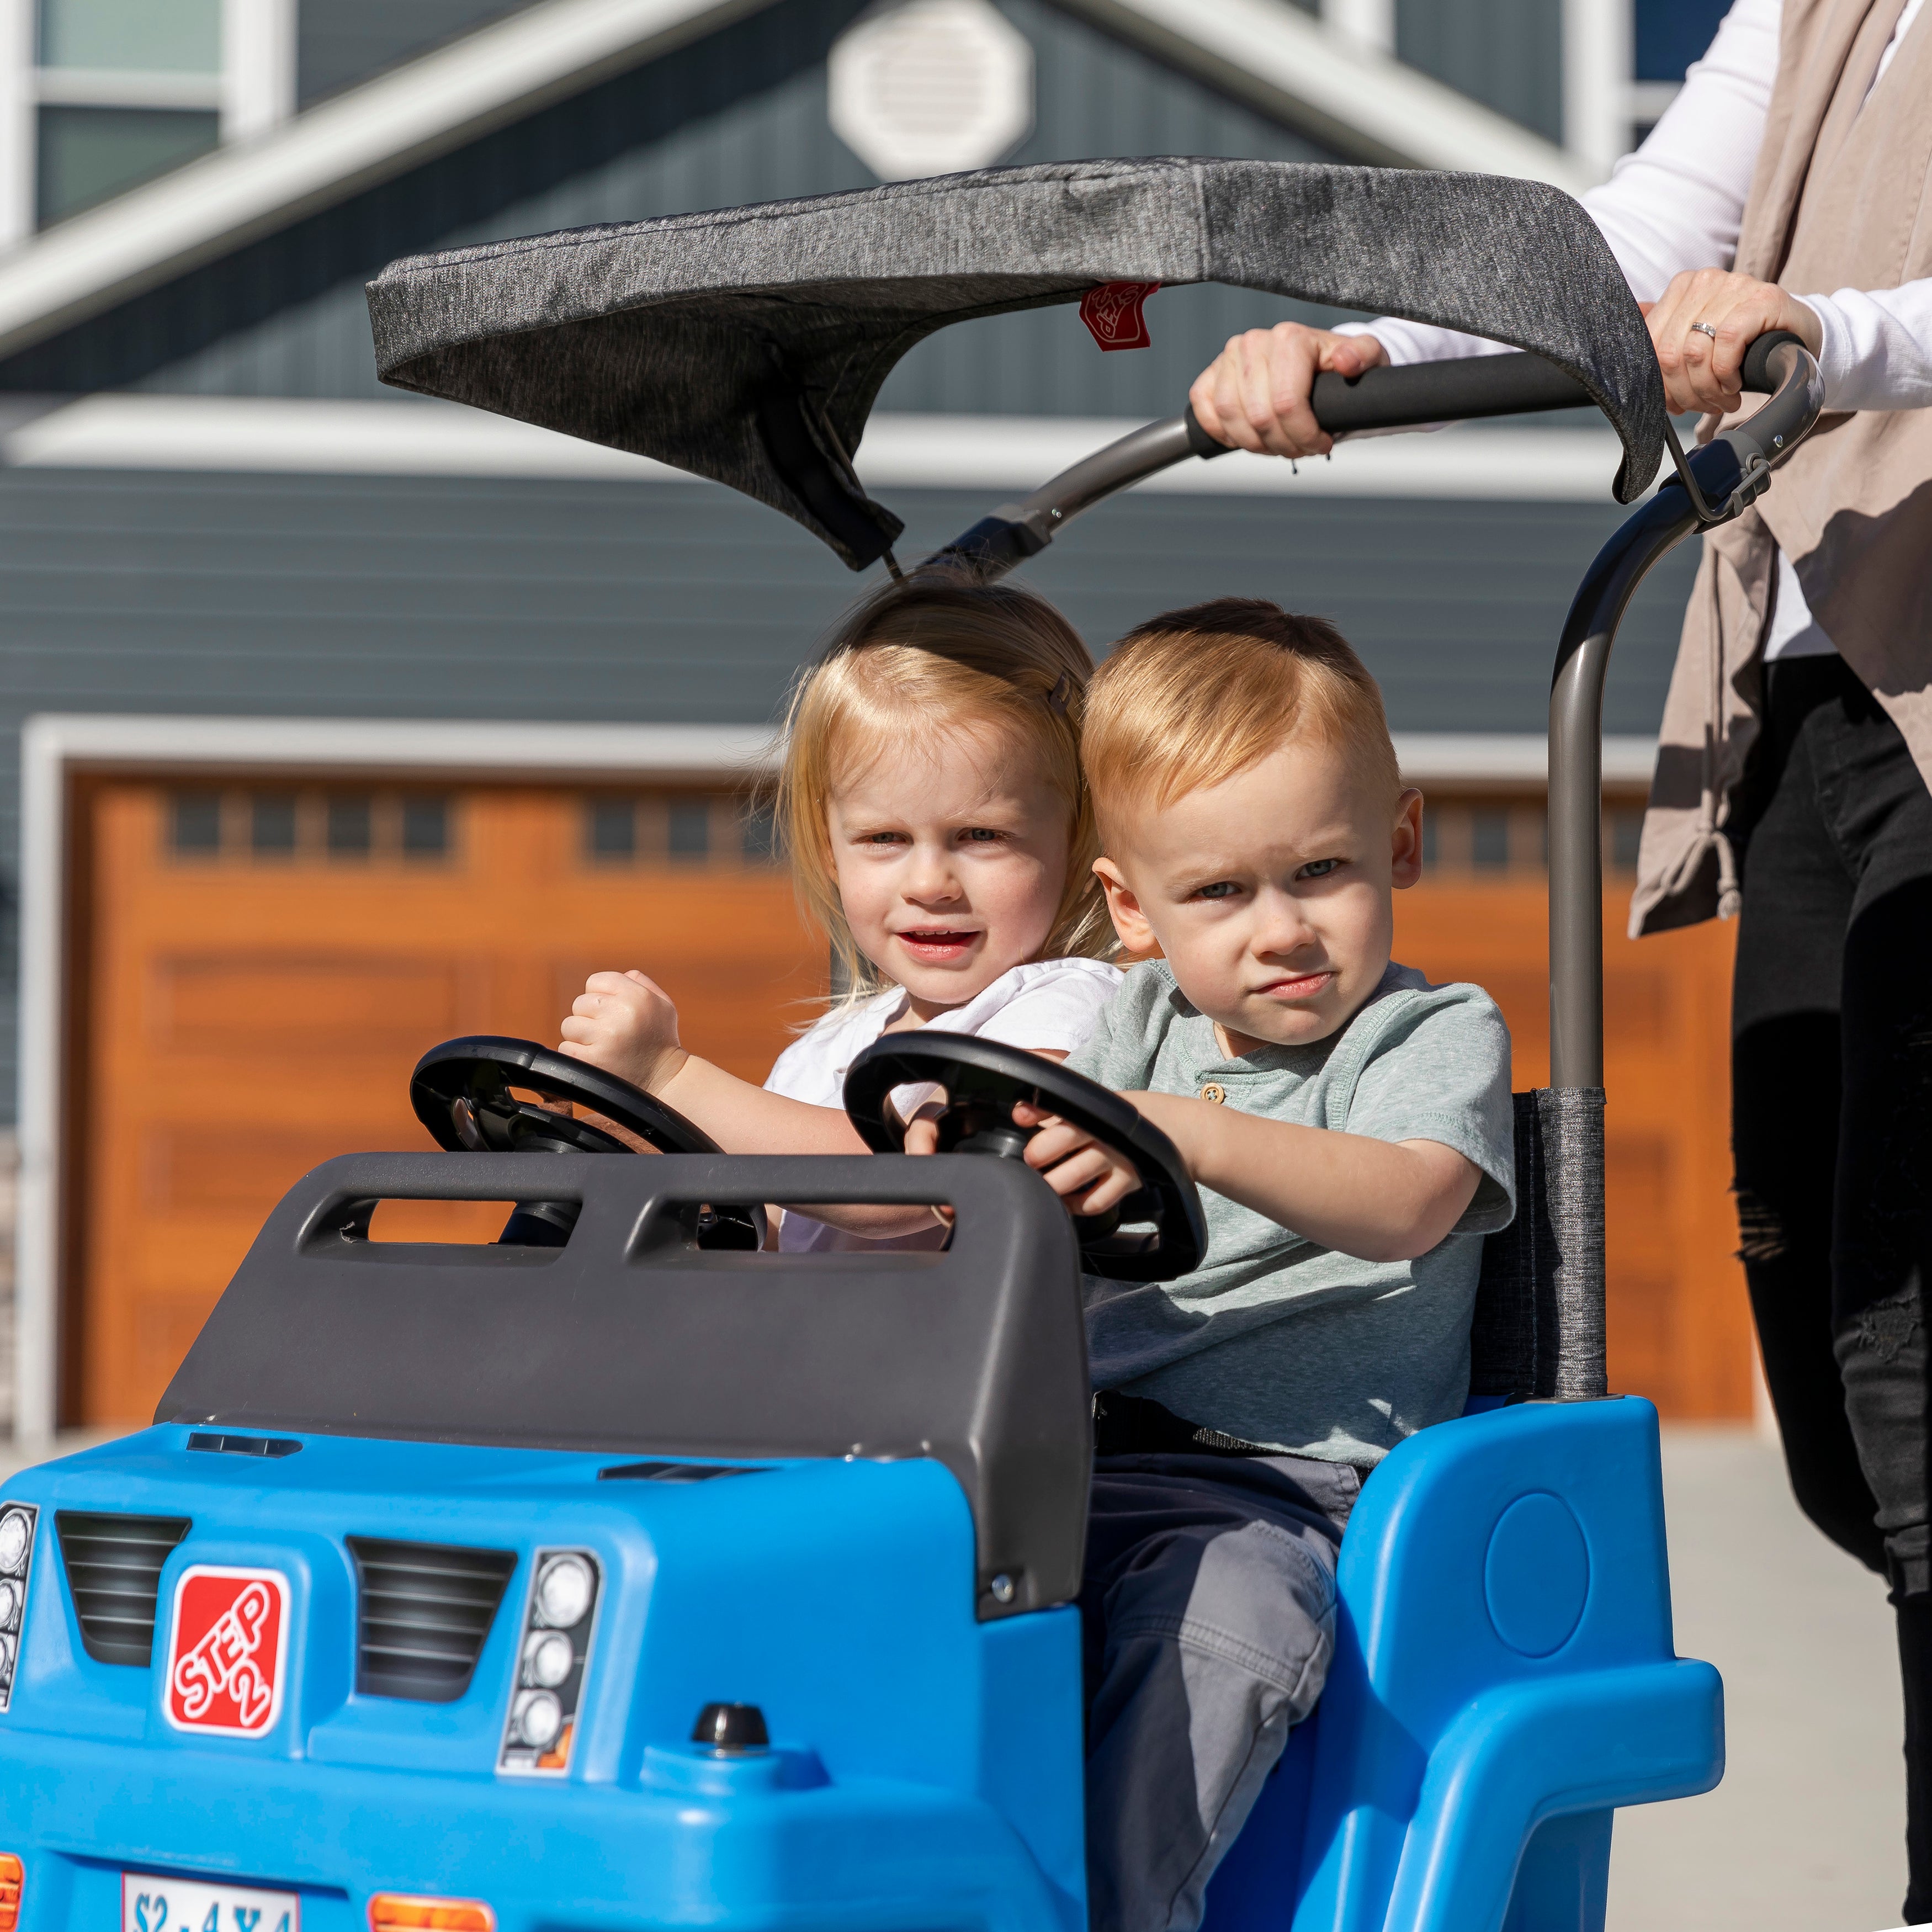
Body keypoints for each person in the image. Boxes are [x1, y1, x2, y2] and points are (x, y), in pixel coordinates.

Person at [1187, 0, 1932, 1913]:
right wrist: (1370, 350)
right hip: (1817, 701)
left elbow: (1794, 315)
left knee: (1919, 1349)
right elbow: (1624, 238)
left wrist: (1831, 336)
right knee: (1837, 1368)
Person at [989, 599, 1515, 1931]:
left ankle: (1123, 1913)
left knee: (1229, 1616)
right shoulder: (1138, 1025)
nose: (1279, 928)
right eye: (1220, 892)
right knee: (869, 1560)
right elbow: (1032, 1205)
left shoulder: (1426, 1034)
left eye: (1321, 872)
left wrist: (1188, 1133)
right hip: (1080, 1463)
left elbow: (1410, 1201)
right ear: (1133, 910)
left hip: (1290, 1494)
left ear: (1400, 842)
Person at [556, 566, 1121, 1247]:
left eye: (981, 835)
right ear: (830, 851)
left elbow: (899, 1187)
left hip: (972, 1351)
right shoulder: (820, 1056)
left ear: (1076, 836)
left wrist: (668, 1075)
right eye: (885, 838)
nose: (931, 883)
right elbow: (763, 1233)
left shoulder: (1072, 1008)